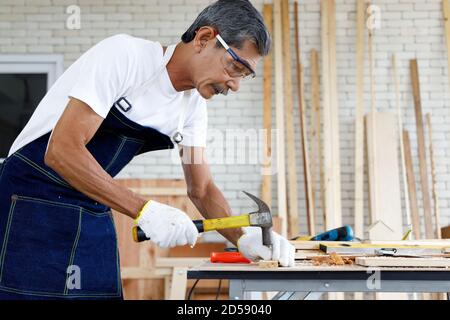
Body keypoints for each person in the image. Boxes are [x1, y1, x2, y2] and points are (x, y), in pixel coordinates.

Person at [0, 0, 295, 300]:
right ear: (204, 39)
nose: (235, 85)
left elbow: (202, 189)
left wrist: (243, 238)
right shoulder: (125, 57)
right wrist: (144, 210)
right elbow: (61, 151)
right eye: (235, 66)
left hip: (90, 206)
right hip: (28, 200)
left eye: (245, 75)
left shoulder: (192, 110)